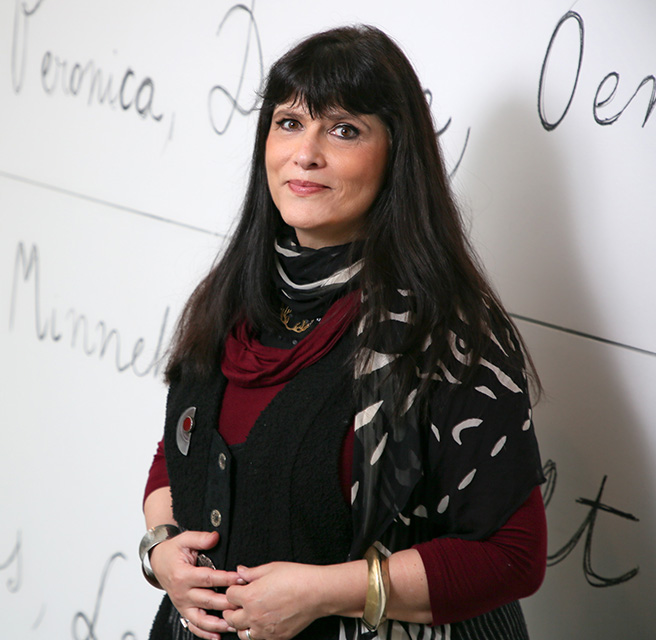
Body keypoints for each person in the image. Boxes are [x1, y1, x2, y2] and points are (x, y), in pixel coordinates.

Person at [139, 25, 546, 640]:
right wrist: (161, 552)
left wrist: (324, 591)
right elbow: (177, 455)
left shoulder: (445, 329)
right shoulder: (229, 300)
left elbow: (512, 555)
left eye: (344, 129)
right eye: (289, 123)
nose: (307, 153)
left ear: (395, 154)